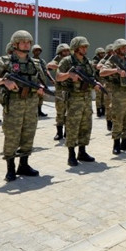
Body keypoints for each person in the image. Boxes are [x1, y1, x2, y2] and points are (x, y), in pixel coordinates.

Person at [0, 30, 50, 182]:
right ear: (15, 44)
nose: (27, 45)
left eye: (28, 42)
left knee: (28, 134)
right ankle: (10, 168)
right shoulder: (5, 61)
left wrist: (40, 88)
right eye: (23, 42)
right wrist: (4, 81)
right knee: (12, 136)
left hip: (31, 105)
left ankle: (24, 165)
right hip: (13, 105)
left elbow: (41, 82)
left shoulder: (35, 63)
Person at [55, 37, 98, 166]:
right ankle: (71, 154)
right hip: (74, 98)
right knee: (73, 126)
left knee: (86, 125)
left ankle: (82, 152)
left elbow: (92, 77)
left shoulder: (87, 62)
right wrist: (69, 75)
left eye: (86, 47)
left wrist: (96, 84)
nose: (85, 49)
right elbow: (58, 77)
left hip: (86, 98)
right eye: (82, 47)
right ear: (75, 48)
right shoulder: (67, 61)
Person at [100, 38, 126, 154]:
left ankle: (125, 142)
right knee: (118, 119)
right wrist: (116, 70)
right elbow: (102, 72)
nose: (125, 49)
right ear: (117, 49)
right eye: (122, 47)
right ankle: (116, 144)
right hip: (118, 95)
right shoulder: (112, 61)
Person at [47, 43, 71, 140]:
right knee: (60, 111)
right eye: (64, 51)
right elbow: (49, 66)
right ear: (60, 52)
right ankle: (59, 132)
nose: (66, 52)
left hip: (70, 88)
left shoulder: (71, 59)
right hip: (60, 89)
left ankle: (67, 132)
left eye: (67, 50)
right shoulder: (57, 60)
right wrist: (60, 67)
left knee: (70, 111)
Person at [32, 44, 51, 117]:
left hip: (43, 81)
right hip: (35, 82)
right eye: (36, 50)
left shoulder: (42, 61)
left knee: (41, 98)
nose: (38, 52)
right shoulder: (31, 60)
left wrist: (51, 79)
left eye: (39, 50)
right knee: (35, 98)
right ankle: (34, 112)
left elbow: (46, 71)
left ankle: (39, 111)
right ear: (33, 51)